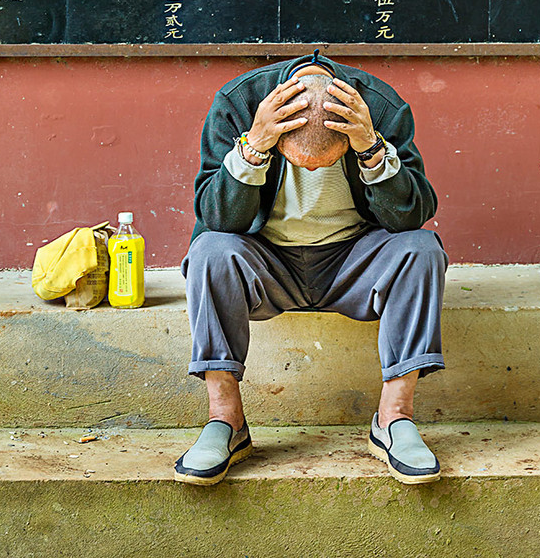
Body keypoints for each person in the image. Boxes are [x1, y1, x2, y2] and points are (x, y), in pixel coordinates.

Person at [175, 51, 448, 486]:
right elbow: (217, 216)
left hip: (354, 260)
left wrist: (373, 152)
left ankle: (394, 418)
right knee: (209, 250)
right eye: (300, 162)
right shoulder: (238, 104)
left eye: (328, 161)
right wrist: (253, 150)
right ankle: (225, 422)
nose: (314, 171)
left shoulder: (379, 108)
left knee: (421, 248)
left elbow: (412, 214)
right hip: (268, 263)